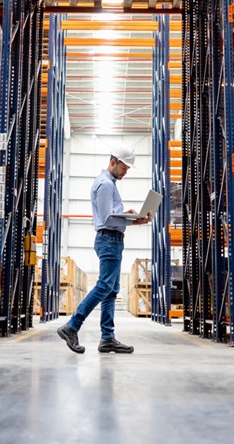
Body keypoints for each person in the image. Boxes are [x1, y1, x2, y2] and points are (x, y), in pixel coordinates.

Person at [57, 145, 149, 354]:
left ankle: (107, 338)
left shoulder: (110, 184)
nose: (126, 171)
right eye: (124, 167)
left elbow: (112, 216)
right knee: (104, 285)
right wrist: (132, 219)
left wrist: (134, 219)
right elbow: (107, 218)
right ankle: (72, 326)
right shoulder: (106, 184)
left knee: (111, 289)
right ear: (113, 162)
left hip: (112, 239)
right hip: (109, 240)